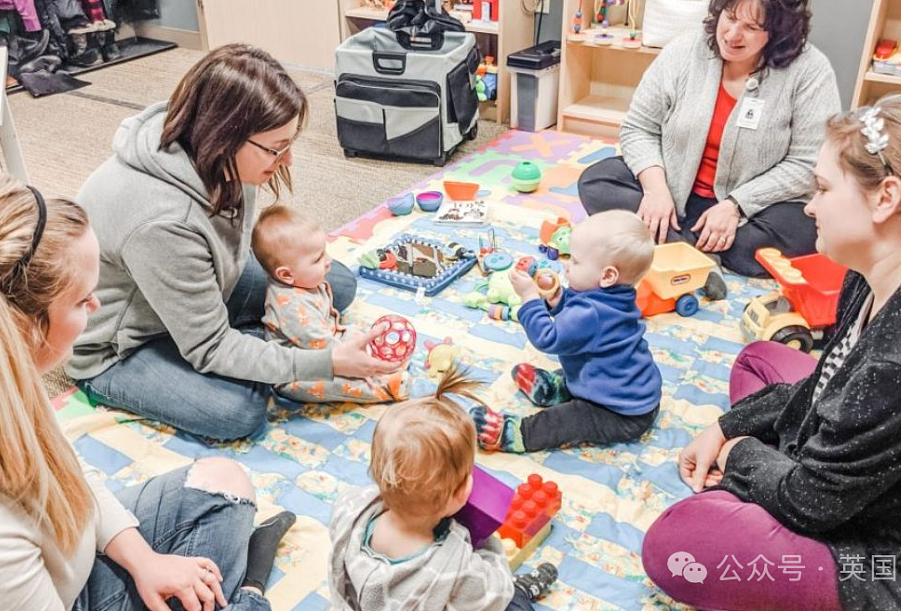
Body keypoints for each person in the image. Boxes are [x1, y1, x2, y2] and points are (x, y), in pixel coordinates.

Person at [641, 94, 901, 611]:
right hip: (888, 467)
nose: (809, 206)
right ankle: (767, 477)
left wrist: (737, 451)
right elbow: (830, 376)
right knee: (760, 360)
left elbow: (810, 504)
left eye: (823, 188)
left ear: (887, 197)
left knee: (677, 544)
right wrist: (726, 425)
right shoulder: (885, 265)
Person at [0, 164, 296, 610]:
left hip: (59, 559)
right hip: (36, 585)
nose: (97, 305)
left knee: (223, 483)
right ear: (20, 329)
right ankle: (249, 595)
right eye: (81, 300)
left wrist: (144, 560)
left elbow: (64, 469)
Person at [65, 44, 401, 441]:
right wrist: (324, 362)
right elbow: (209, 349)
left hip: (196, 286)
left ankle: (254, 344)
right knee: (237, 412)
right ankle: (254, 348)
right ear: (224, 135)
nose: (287, 161)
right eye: (277, 148)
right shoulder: (162, 221)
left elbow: (233, 252)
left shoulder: (213, 152)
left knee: (335, 283)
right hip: (123, 345)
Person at [577, 0, 840, 283]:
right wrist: (655, 190)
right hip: (675, 192)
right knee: (597, 181)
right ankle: (698, 249)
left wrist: (735, 204)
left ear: (779, 31)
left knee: (808, 228)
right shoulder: (685, 50)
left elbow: (807, 163)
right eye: (729, 16)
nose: (732, 34)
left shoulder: (810, 71)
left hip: (750, 209)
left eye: (751, 28)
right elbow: (638, 127)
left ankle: (668, 243)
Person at [328, 367, 558, 610]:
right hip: (480, 592)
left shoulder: (350, 508)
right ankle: (522, 591)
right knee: (513, 602)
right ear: (459, 494)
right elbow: (496, 593)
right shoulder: (457, 566)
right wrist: (484, 540)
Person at [471, 210, 662, 452]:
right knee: (584, 363)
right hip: (627, 389)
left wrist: (529, 298)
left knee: (570, 419)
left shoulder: (591, 314)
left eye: (575, 261)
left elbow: (548, 338)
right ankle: (560, 388)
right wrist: (557, 296)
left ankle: (515, 434)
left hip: (621, 413)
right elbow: (578, 313)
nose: (565, 267)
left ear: (607, 275)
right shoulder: (616, 296)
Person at [252, 205, 410, 403]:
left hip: (325, 338)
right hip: (299, 369)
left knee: (355, 333)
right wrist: (356, 364)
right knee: (337, 383)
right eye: (318, 259)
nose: (329, 261)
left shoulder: (303, 279)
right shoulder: (293, 307)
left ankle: (381, 359)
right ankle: (385, 388)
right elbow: (324, 351)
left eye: (324, 253)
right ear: (286, 275)